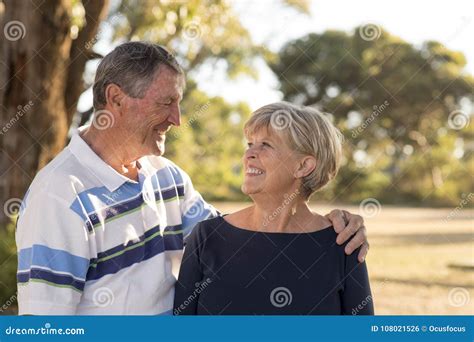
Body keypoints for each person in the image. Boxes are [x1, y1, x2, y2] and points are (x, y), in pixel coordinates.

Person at [16, 42, 369, 315]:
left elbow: (237, 240)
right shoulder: (59, 195)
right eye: (166, 103)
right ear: (116, 99)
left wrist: (332, 224)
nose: (178, 119)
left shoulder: (166, 177)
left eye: (179, 103)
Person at [174, 102, 374, 315]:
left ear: (303, 166)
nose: (249, 153)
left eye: (266, 145)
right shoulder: (206, 237)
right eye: (250, 143)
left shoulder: (343, 243)